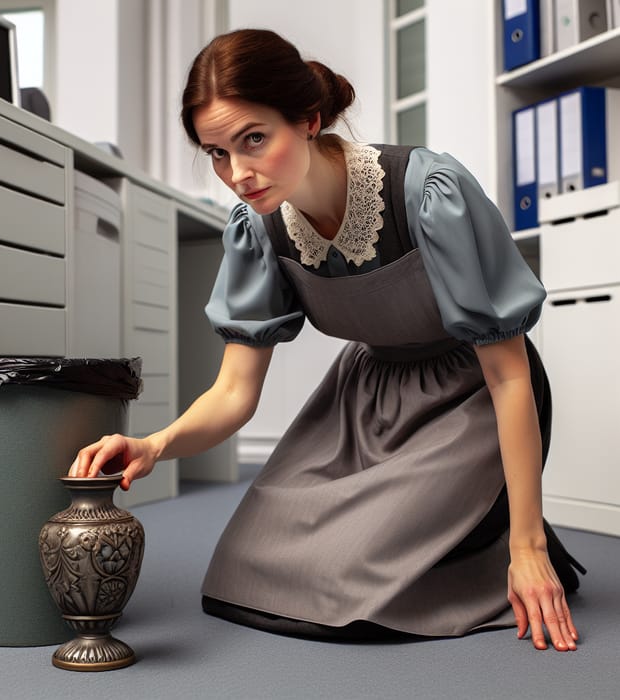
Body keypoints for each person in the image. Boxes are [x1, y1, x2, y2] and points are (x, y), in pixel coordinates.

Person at [70, 28, 585, 651]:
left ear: (309, 120)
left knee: (345, 579)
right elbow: (234, 391)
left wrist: (527, 548)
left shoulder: (427, 191)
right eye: (217, 153)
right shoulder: (259, 229)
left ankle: (510, 537)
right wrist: (156, 443)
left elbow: (509, 376)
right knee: (246, 566)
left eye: (254, 139)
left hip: (472, 395)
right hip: (364, 400)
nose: (238, 173)